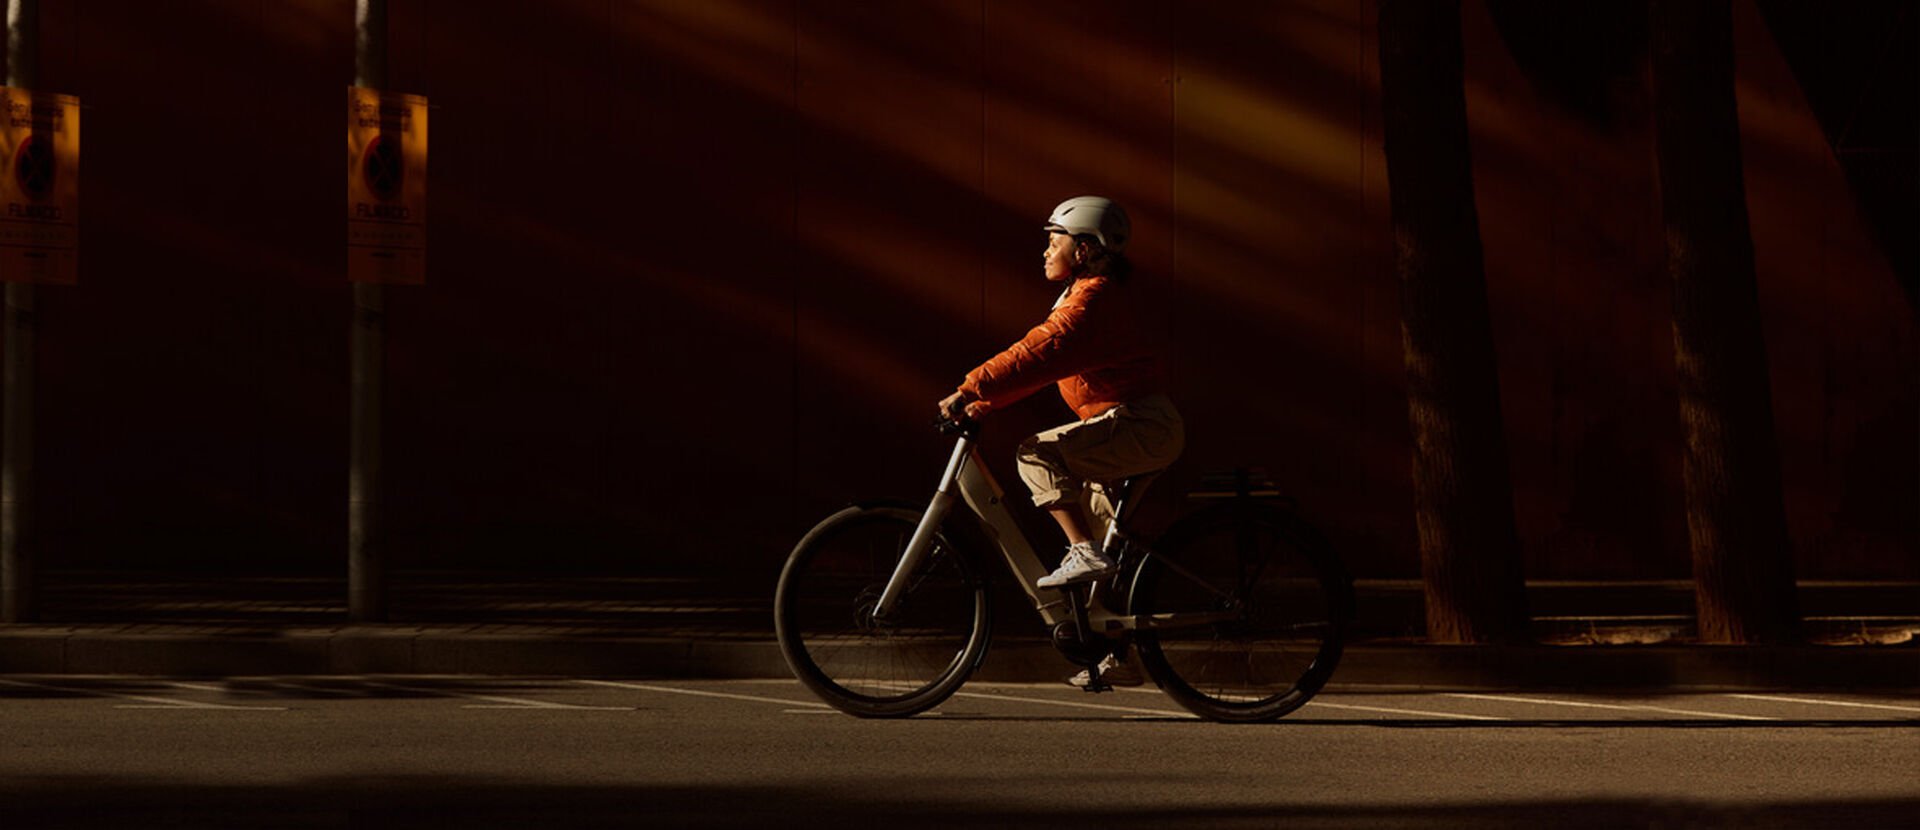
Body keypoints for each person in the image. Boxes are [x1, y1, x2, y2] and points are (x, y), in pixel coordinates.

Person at [937, 196, 1185, 687]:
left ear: (1086, 249)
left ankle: (1083, 553)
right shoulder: (1085, 295)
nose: (1045, 250)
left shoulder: (1092, 302)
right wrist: (982, 404)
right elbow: (1044, 370)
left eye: (1055, 241)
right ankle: (1117, 650)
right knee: (1110, 539)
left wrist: (969, 387)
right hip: (1125, 425)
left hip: (1139, 425)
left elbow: (1037, 353)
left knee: (1036, 452)